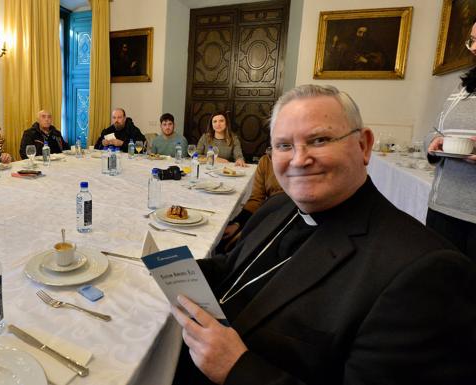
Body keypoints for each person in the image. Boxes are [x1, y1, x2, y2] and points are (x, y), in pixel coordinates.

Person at [172, 84, 476, 385]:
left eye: (319, 140)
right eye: (284, 145)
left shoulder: (425, 272)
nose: (299, 159)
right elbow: (230, 267)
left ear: (363, 145)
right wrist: (166, 272)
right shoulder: (278, 207)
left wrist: (237, 368)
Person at [425, 19, 476, 261]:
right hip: (443, 208)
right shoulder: (463, 87)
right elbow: (436, 130)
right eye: (473, 40)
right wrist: (433, 142)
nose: (474, 48)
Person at [218, 154, 282, 251]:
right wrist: (237, 223)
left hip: (276, 224)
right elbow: (256, 199)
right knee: (220, 237)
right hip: (265, 217)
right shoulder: (266, 161)